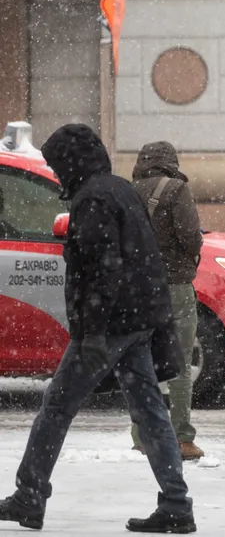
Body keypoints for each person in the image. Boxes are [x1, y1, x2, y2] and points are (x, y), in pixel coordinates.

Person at [0, 124, 195, 533]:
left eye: (57, 164)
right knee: (151, 412)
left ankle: (29, 495)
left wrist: (91, 333)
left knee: (56, 408)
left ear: (72, 161)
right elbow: (143, 260)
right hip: (137, 321)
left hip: (110, 326)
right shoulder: (119, 189)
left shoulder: (93, 199)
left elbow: (101, 270)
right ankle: (177, 504)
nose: (56, 173)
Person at [129, 141, 205, 461]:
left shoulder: (127, 191)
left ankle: (141, 436)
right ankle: (183, 438)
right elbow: (190, 237)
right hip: (174, 286)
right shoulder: (176, 189)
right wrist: (190, 254)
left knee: (140, 362)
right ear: (171, 162)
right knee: (180, 363)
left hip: (137, 289)